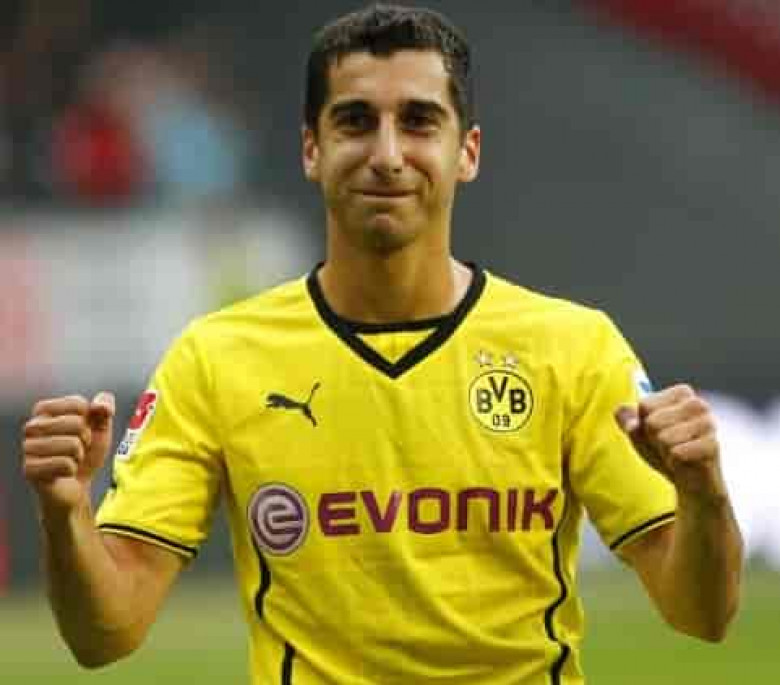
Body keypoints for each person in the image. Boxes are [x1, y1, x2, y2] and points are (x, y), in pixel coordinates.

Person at [21, 5, 743, 684]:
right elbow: (105, 633)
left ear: (467, 151)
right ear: (312, 149)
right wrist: (66, 512)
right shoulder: (215, 359)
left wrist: (704, 493)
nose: (388, 154)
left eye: (419, 121)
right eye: (356, 122)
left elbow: (702, 613)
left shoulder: (574, 348)